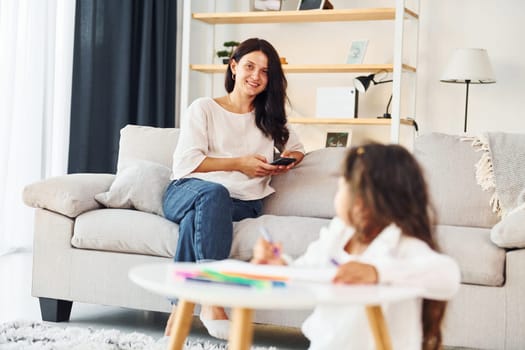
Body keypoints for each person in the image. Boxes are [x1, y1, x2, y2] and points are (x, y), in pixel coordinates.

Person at [252, 143, 460, 350]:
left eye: (341, 186)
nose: (336, 194)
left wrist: (376, 272)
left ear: (363, 200)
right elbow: (307, 272)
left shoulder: (400, 244)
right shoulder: (337, 235)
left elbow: (447, 274)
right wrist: (280, 266)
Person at [162, 37, 305, 339]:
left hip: (242, 202)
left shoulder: (270, 118)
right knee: (213, 194)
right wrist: (239, 163)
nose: (256, 76)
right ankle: (213, 301)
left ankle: (180, 308)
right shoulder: (204, 109)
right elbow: (187, 163)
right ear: (234, 66)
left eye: (265, 72)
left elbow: (296, 147)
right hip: (187, 191)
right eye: (250, 67)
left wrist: (287, 160)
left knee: (198, 219)